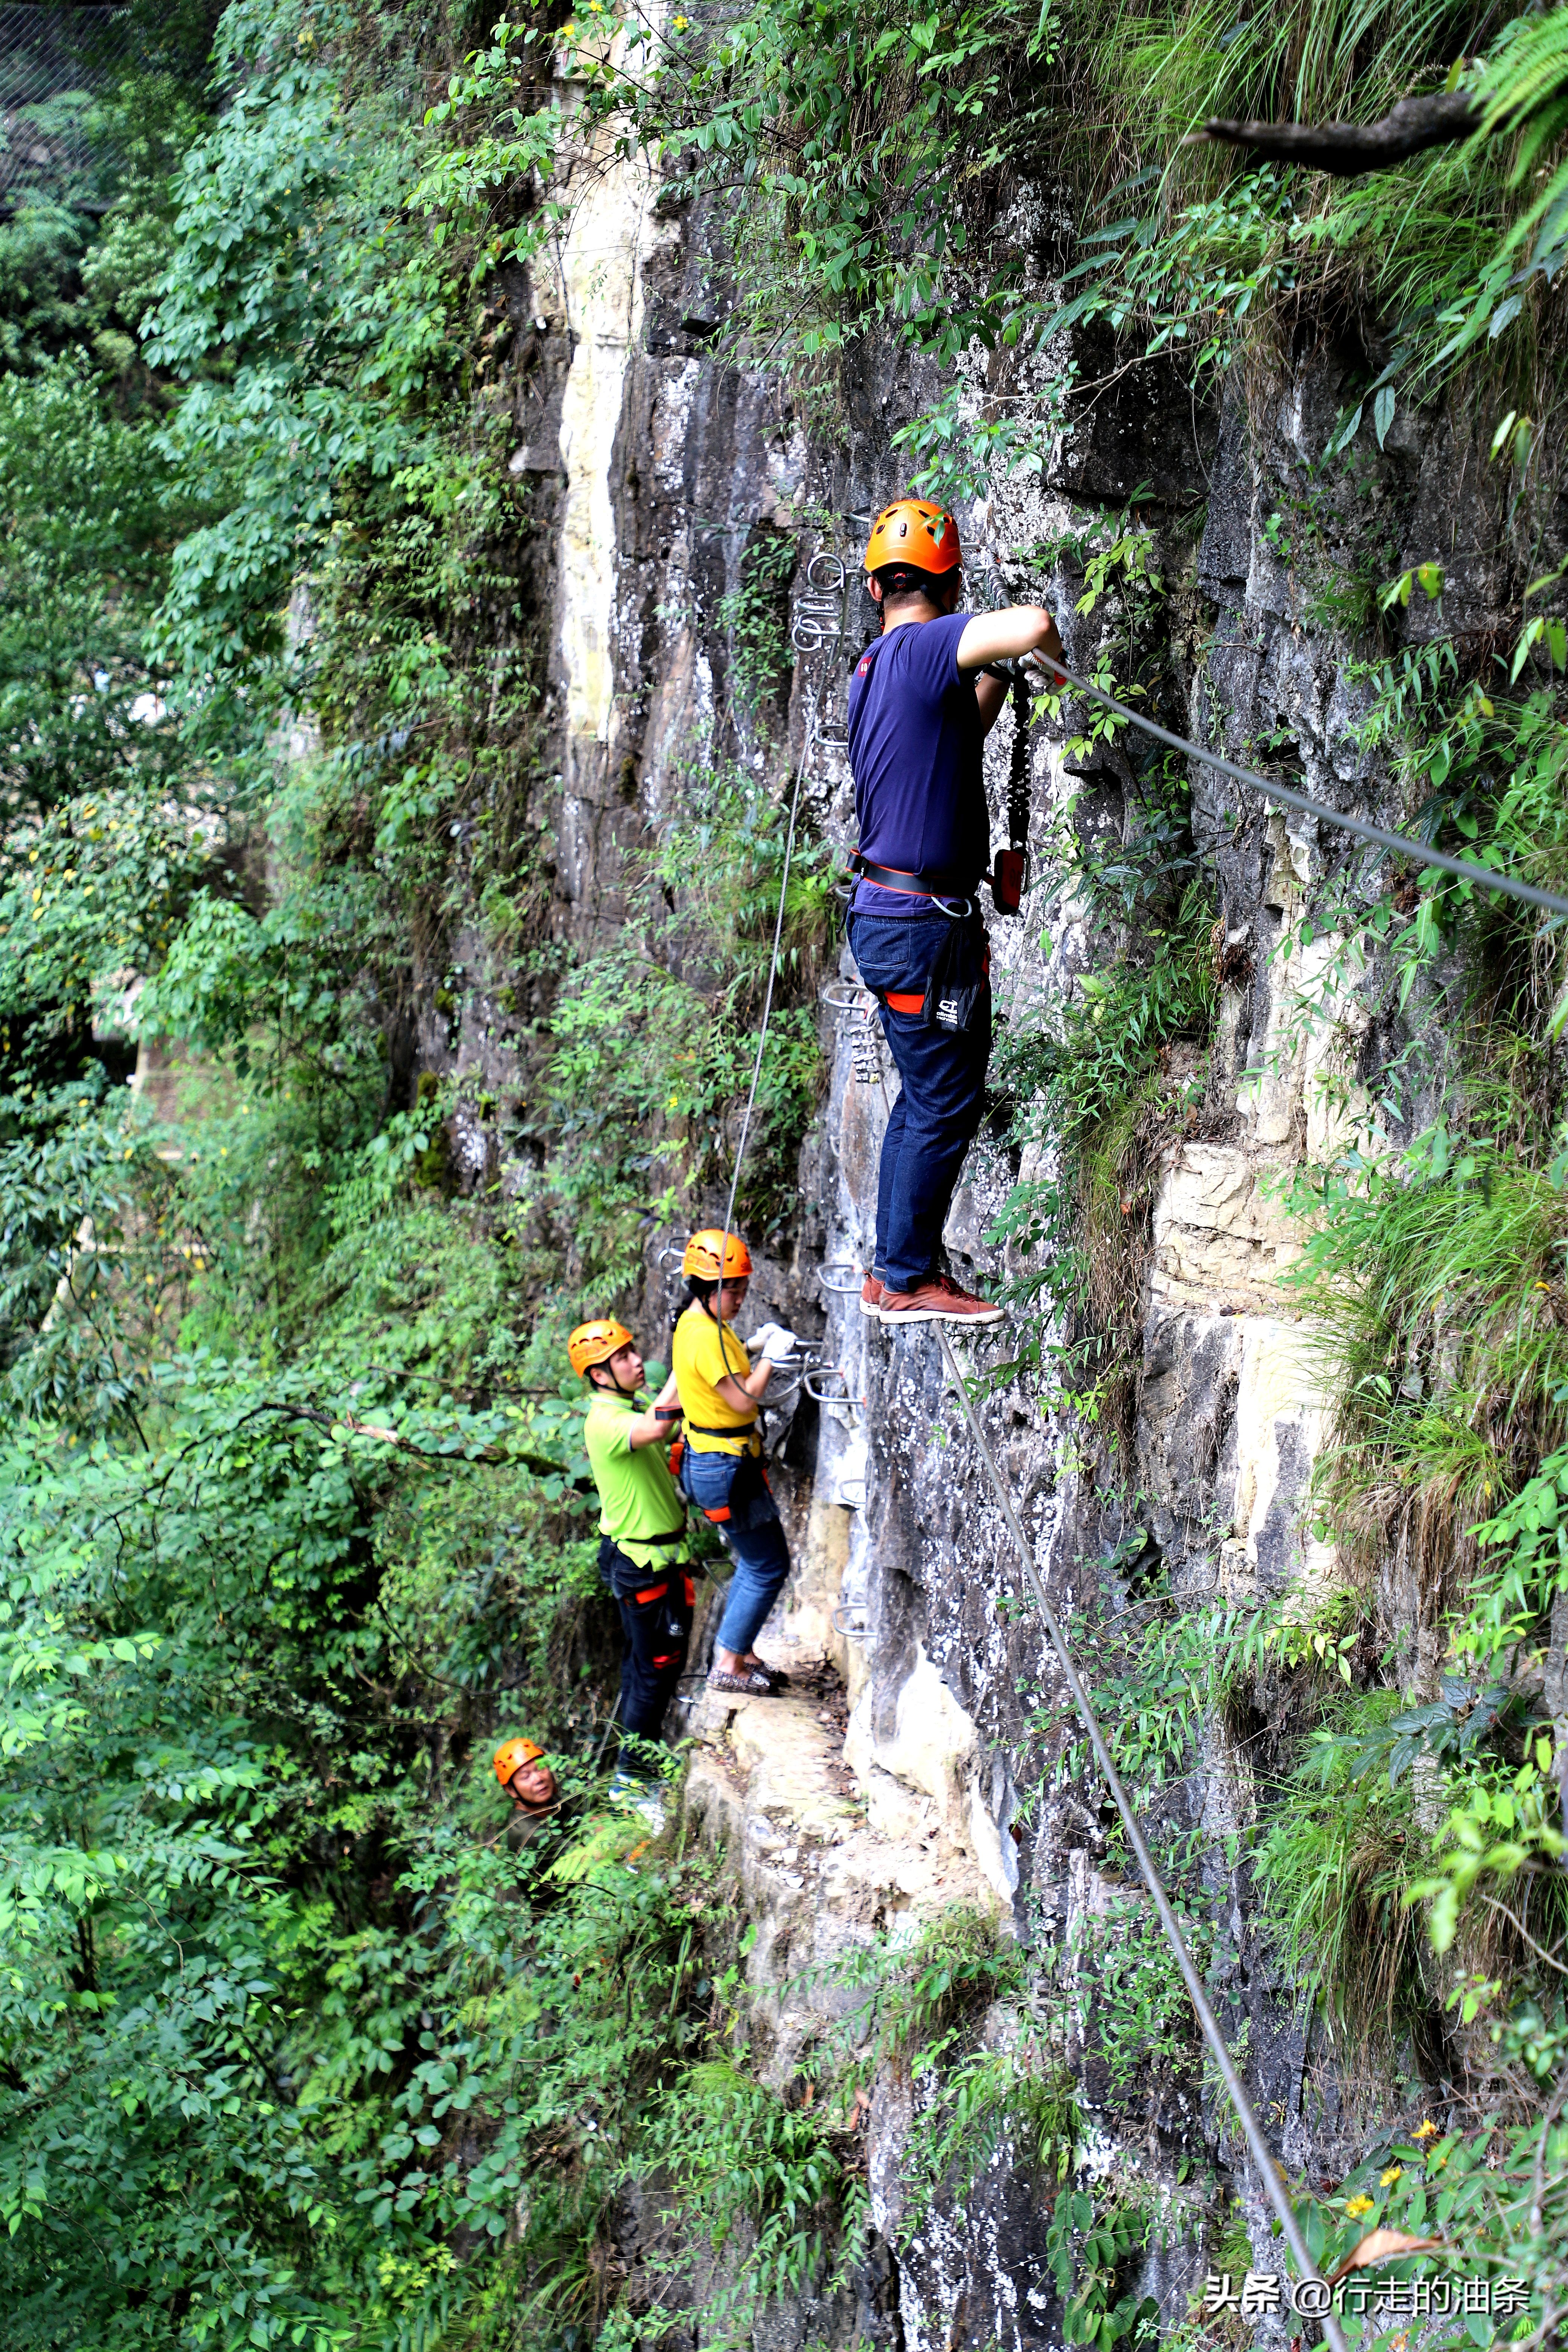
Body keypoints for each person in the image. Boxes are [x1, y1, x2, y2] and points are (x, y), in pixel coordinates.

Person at [845, 497, 1065, 1326]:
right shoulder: (924, 644)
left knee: (925, 1094)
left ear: (877, 589)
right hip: (920, 928)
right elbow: (1032, 621)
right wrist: (1050, 654)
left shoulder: (877, 670)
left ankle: (890, 1271)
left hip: (892, 915)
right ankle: (904, 1276)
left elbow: (960, 730)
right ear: (951, 582)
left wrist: (1000, 682)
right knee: (942, 1099)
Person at [669, 1230, 799, 1695]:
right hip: (723, 1466)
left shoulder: (696, 1323)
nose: (741, 1297)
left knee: (755, 1559)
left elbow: (718, 1370)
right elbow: (743, 1399)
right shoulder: (705, 1334)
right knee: (768, 1564)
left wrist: (752, 1347)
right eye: (733, 1289)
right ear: (706, 1289)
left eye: (744, 1287)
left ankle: (738, 1652)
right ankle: (728, 1662)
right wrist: (773, 1358)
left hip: (717, 1462)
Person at [571, 1317, 692, 1805]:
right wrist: (688, 1350)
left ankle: (639, 1764)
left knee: (646, 1666)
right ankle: (633, 1783)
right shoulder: (604, 1420)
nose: (636, 1361)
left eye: (632, 1352)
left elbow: (662, 1425)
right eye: (622, 1358)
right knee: (654, 1667)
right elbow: (655, 1427)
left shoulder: (626, 1404)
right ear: (599, 1375)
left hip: (651, 1555)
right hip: (641, 1562)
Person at [493, 1736, 559, 1813]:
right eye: (526, 1777)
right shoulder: (523, 1824)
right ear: (511, 1790)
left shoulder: (557, 1805)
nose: (538, 1779)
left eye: (540, 1769)